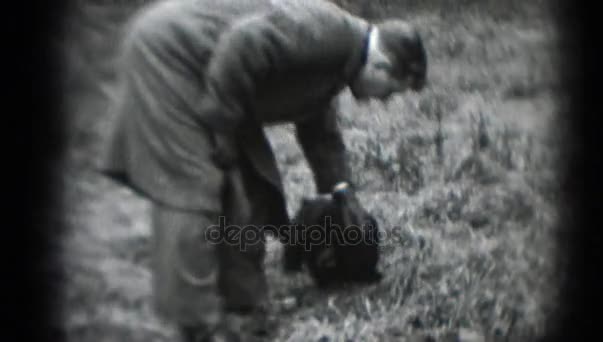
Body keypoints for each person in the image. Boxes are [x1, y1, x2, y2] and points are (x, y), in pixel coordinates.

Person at [100, 0, 427, 340]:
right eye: (389, 92)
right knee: (193, 189)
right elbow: (245, 43)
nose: (381, 101)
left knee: (251, 187)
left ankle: (242, 306)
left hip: (215, 74)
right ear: (382, 66)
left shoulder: (340, 61)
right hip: (173, 57)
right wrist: (224, 128)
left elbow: (320, 131)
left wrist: (341, 190)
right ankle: (194, 323)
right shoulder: (330, 33)